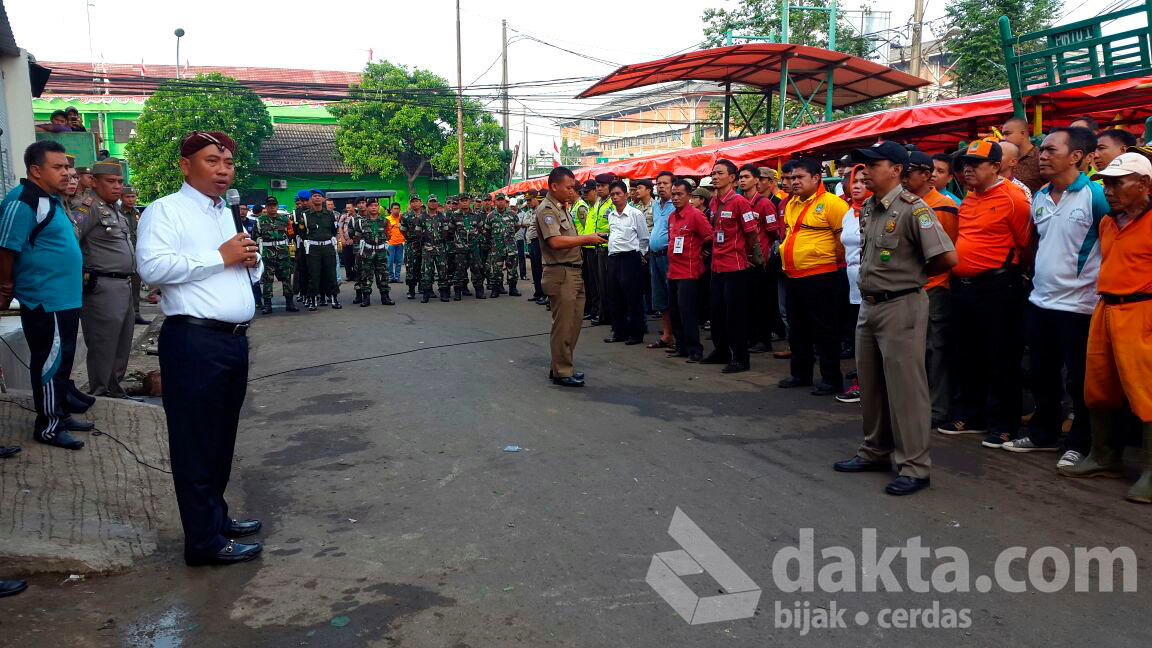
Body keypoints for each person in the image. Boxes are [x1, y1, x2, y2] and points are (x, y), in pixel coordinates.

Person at [135, 131, 264, 565]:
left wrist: (252, 259)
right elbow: (151, 267)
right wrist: (221, 256)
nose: (223, 169)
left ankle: (216, 519)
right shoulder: (164, 211)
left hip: (232, 342)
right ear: (185, 165)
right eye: (212, 161)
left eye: (227, 162)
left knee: (221, 438)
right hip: (193, 341)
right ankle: (202, 543)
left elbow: (241, 266)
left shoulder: (224, 213)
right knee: (195, 442)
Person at [833, 140, 958, 497]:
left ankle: (915, 466)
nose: (865, 171)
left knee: (906, 391)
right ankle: (875, 450)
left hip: (901, 304)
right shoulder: (870, 207)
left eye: (874, 165)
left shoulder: (912, 209)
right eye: (863, 166)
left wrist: (910, 276)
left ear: (896, 170)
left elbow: (945, 259)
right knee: (871, 387)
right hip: (870, 305)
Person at [1001, 128, 1105, 466]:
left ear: (1076, 156)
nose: (1042, 156)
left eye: (1049, 150)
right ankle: (1043, 435)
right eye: (1042, 150)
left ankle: (1080, 443)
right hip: (1041, 302)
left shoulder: (1096, 196)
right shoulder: (1042, 195)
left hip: (1081, 306)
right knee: (1042, 374)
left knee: (1078, 381)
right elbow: (1038, 243)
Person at [1056, 152, 1152, 502]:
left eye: (1117, 182)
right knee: (1098, 387)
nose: (1108, 190)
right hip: (1106, 308)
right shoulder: (1109, 222)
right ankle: (1104, 457)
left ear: (1143, 184)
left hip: (1143, 312)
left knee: (1148, 393)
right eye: (1106, 183)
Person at [938, 140, 1032, 448]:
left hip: (998, 288)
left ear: (996, 166)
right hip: (965, 288)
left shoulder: (1013, 198)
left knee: (1001, 357)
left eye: (976, 164)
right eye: (965, 164)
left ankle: (1004, 424)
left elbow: (1025, 243)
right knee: (968, 354)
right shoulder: (969, 197)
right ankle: (971, 415)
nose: (968, 170)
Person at [0, 140, 91, 451]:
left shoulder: (49, 200)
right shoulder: (23, 200)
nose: (67, 172)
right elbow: (6, 248)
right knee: (49, 364)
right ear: (36, 171)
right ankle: (49, 426)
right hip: (44, 299)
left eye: (67, 166)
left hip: (64, 299)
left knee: (62, 361)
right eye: (59, 167)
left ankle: (61, 415)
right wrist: (5, 290)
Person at [778, 157, 849, 394]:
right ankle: (801, 373)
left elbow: (843, 241)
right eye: (791, 178)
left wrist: (830, 260)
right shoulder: (791, 204)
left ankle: (831, 378)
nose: (794, 182)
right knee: (798, 328)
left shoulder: (832, 203)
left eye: (799, 177)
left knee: (824, 329)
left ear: (816, 178)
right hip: (794, 275)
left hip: (821, 275)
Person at [72, 160, 139, 401]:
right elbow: (71, 242)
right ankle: (100, 392)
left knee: (122, 341)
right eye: (111, 182)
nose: (117, 186)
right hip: (101, 286)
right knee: (103, 342)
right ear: (95, 182)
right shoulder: (87, 207)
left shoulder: (115, 210)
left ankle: (114, 387)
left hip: (123, 284)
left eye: (120, 182)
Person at [903, 151, 959, 426]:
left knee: (935, 351)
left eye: (909, 171)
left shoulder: (941, 207)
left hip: (934, 288)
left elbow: (945, 254)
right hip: (911, 289)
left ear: (926, 175)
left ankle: (937, 408)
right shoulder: (907, 203)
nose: (903, 176)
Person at [537, 167, 606, 386]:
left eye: (573, 187)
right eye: (568, 187)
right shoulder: (547, 210)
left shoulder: (562, 208)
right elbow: (555, 242)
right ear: (554, 186)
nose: (572, 191)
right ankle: (561, 371)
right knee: (564, 325)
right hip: (560, 272)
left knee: (574, 324)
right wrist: (587, 239)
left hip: (573, 271)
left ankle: (561, 366)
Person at [702, 159, 760, 374]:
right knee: (716, 313)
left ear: (732, 178)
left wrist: (747, 253)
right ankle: (721, 351)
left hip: (735, 267)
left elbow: (752, 232)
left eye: (719, 173)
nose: (715, 177)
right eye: (713, 173)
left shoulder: (739, 202)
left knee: (735, 315)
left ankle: (741, 357)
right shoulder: (715, 201)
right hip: (717, 266)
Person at [834, 164, 871, 403]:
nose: (857, 185)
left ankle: (866, 385)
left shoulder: (878, 211)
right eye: (854, 181)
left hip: (873, 285)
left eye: (863, 181)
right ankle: (862, 380)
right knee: (858, 335)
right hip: (851, 284)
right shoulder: (849, 212)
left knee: (868, 338)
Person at [666, 179, 713, 362]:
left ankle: (695, 349)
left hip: (690, 271)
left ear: (689, 196)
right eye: (674, 194)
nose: (676, 197)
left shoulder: (695, 215)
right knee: (675, 311)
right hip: (673, 271)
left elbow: (709, 237)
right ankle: (681, 346)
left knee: (687, 312)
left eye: (680, 194)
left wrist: (702, 252)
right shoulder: (672, 216)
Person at [603, 180, 650, 345]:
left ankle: (636, 334)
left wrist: (640, 255)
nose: (615, 197)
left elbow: (644, 238)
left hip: (630, 258)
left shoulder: (635, 214)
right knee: (615, 297)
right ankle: (619, 332)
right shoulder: (611, 214)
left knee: (633, 298)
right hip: (614, 258)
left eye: (618, 194)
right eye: (612, 195)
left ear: (626, 195)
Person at [296, 190, 340, 310]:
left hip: (328, 247)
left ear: (323, 199)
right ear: (311, 199)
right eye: (314, 196)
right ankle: (313, 299)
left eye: (319, 196)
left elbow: (334, 230)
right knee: (313, 274)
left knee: (331, 273)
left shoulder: (330, 214)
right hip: (313, 248)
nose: (317, 198)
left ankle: (334, 298)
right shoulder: (305, 215)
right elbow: (302, 232)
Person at [254, 196, 297, 314]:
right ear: (266, 207)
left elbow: (291, 234)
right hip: (267, 253)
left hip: (283, 252)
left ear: (277, 206)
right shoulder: (260, 221)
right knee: (268, 279)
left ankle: (290, 303)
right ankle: (267, 304)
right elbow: (255, 237)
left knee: (286, 278)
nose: (272, 207)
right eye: (269, 205)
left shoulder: (284, 219)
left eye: (274, 205)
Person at [647, 171, 675, 350]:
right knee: (661, 297)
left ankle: (678, 335)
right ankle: (667, 335)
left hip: (669, 256)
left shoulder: (677, 205)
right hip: (655, 255)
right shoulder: (656, 205)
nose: (661, 186)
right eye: (659, 183)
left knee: (673, 296)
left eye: (665, 183)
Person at [350, 199, 395, 306]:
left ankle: (385, 297)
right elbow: (356, 236)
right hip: (367, 252)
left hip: (381, 251)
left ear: (379, 207)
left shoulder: (385, 221)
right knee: (366, 275)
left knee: (383, 274)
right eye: (371, 206)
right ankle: (366, 298)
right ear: (367, 207)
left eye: (376, 205)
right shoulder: (360, 222)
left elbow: (389, 235)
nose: (374, 207)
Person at [120, 185, 151, 326]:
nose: (131, 199)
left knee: (136, 286)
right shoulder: (117, 212)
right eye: (128, 197)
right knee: (122, 288)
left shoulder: (137, 213)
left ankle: (136, 314)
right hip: (122, 255)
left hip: (136, 254)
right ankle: (124, 316)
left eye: (133, 196)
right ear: (122, 198)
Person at [488, 194, 521, 297]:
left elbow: (517, 227)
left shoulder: (512, 214)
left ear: (505, 202)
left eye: (502, 200)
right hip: (497, 248)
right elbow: (487, 230)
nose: (501, 202)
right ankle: (496, 289)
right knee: (496, 270)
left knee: (512, 269)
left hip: (511, 246)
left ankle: (513, 288)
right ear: (495, 202)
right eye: (498, 200)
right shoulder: (491, 216)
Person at [1000, 116, 1044, 193]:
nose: (1003, 138)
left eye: (1007, 134)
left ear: (1023, 133)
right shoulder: (1003, 157)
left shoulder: (1040, 157)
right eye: (1003, 134)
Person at [421, 195, 451, 302]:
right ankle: (426, 293)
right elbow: (418, 232)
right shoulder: (422, 217)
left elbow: (446, 231)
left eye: (435, 202)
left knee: (442, 271)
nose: (433, 203)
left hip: (440, 247)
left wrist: (439, 240)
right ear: (427, 203)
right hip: (427, 247)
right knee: (427, 271)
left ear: (437, 203)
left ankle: (443, 292)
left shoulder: (442, 217)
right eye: (431, 201)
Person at [400, 195, 425, 299]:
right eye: (412, 202)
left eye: (417, 201)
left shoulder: (426, 215)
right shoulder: (405, 216)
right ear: (410, 203)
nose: (415, 203)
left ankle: (422, 286)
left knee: (423, 266)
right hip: (411, 244)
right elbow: (403, 230)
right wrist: (410, 238)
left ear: (421, 202)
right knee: (411, 267)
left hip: (424, 244)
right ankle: (411, 290)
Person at [386, 202, 405, 282]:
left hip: (400, 243)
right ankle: (390, 277)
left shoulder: (402, 218)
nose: (396, 210)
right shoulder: (387, 219)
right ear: (391, 210)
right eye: (394, 208)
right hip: (390, 244)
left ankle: (397, 277)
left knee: (399, 262)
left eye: (398, 209)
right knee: (389, 262)